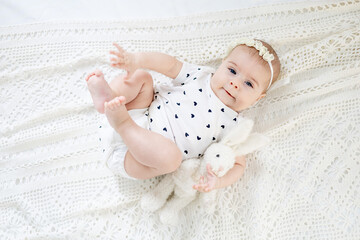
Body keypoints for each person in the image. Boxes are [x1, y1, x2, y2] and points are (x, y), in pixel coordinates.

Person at [85, 38, 280, 192]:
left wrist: (217, 182)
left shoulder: (235, 125)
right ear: (221, 65)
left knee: (171, 159)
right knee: (142, 78)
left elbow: (239, 164)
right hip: (135, 111)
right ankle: (107, 98)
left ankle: (122, 124)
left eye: (249, 84)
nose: (235, 83)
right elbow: (169, 65)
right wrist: (137, 60)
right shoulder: (201, 75)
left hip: (137, 156)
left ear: (257, 99)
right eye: (232, 70)